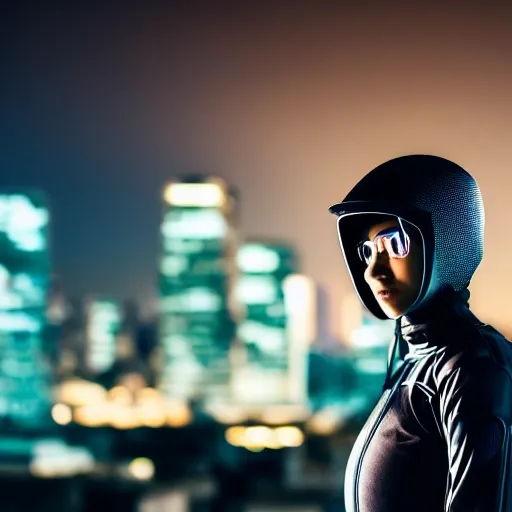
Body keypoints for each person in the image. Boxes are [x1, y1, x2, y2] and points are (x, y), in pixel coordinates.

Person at [328, 155, 512, 512]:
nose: (373, 270)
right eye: (368, 251)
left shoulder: (470, 365)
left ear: (447, 239)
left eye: (394, 243)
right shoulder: (413, 357)